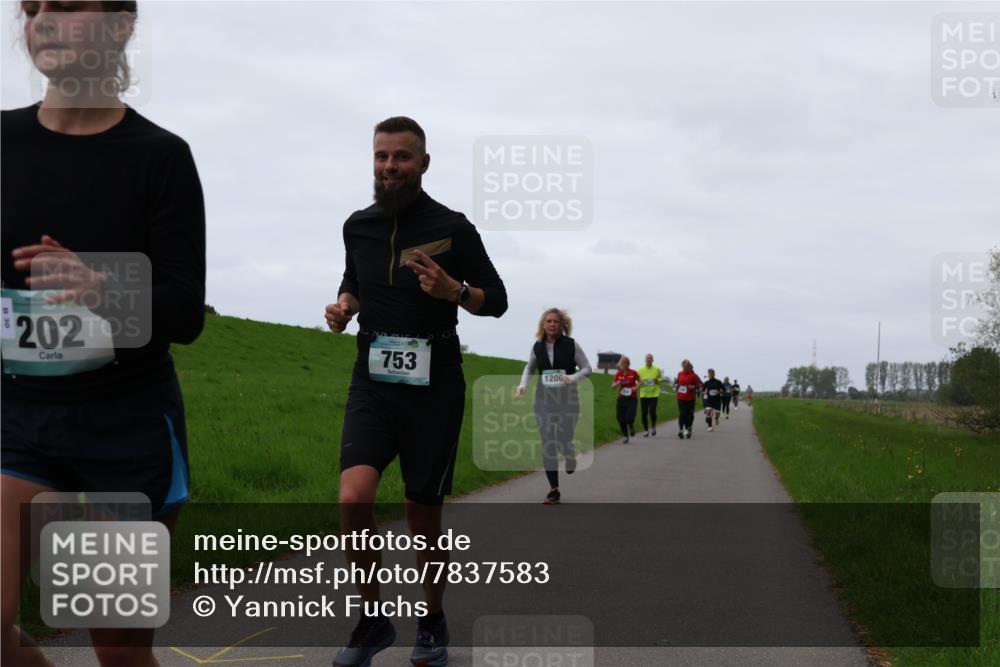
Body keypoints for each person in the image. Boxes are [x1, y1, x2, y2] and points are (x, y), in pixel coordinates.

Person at [2, 3, 206, 666]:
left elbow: (184, 313)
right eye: (30, 7)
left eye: (64, 5)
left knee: (116, 648)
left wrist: (100, 289)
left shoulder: (161, 157)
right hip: (17, 419)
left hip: (127, 428)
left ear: (120, 24)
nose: (41, 19)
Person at [325, 116, 507, 667]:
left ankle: (432, 620)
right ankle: (372, 620)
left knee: (422, 516)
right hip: (372, 379)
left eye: (401, 157)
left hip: (434, 385)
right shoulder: (357, 226)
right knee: (353, 496)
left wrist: (455, 291)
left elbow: (496, 300)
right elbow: (355, 280)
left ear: (423, 163)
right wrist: (345, 305)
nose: (390, 166)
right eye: (381, 156)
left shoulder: (453, 227)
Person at [516, 308, 592, 505]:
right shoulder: (537, 346)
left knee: (564, 438)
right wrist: (522, 385)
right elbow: (529, 367)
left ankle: (569, 451)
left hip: (568, 399)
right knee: (548, 441)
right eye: (548, 321)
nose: (552, 324)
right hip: (544, 400)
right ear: (543, 324)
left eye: (555, 321)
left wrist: (572, 377)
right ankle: (554, 489)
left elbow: (587, 368)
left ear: (562, 325)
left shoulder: (571, 345)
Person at [611, 356, 640, 444]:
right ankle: (625, 435)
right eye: (622, 364)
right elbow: (612, 386)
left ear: (628, 364)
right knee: (620, 418)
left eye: (625, 364)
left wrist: (636, 387)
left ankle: (631, 426)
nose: (623, 366)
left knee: (629, 418)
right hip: (622, 398)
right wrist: (616, 384)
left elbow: (641, 381)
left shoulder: (633, 372)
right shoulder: (619, 374)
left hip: (632, 398)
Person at [636, 353, 663, 437]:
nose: (648, 360)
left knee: (652, 412)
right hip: (644, 394)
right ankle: (645, 429)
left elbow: (661, 379)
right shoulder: (640, 370)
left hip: (654, 394)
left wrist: (657, 380)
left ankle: (653, 426)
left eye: (650, 358)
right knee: (644, 413)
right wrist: (640, 382)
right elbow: (636, 381)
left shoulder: (657, 369)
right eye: (647, 358)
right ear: (645, 360)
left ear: (652, 360)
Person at [674, 360, 702, 439]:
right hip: (681, 397)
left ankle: (688, 428)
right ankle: (680, 430)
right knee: (682, 413)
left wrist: (694, 387)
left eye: (686, 366)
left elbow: (700, 384)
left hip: (690, 398)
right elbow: (677, 382)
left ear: (689, 367)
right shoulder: (680, 374)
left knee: (690, 415)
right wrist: (676, 386)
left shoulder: (693, 375)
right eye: (684, 367)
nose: (685, 368)